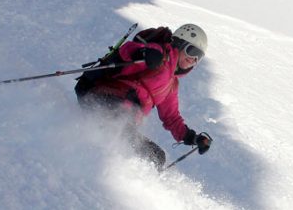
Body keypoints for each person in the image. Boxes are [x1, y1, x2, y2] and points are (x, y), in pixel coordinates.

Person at [74, 23, 212, 170]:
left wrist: (192, 137)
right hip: (104, 100)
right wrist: (145, 53)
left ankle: (136, 181)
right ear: (180, 43)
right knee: (123, 134)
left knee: (157, 157)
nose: (193, 59)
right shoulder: (160, 54)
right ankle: (97, 164)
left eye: (199, 57)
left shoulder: (172, 84)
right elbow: (127, 50)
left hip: (125, 120)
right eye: (192, 51)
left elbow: (171, 117)